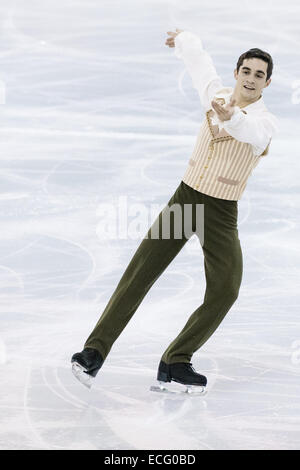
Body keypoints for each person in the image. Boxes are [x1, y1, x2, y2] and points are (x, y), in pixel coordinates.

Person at [71, 28, 279, 392]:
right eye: (246, 71)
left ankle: (176, 360)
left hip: (219, 212)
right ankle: (93, 352)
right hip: (185, 200)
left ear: (267, 83)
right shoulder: (214, 93)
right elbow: (200, 66)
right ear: (237, 73)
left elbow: (251, 135)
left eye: (258, 75)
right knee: (139, 274)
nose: (250, 78)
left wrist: (231, 116)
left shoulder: (264, 122)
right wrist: (184, 40)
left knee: (225, 289)